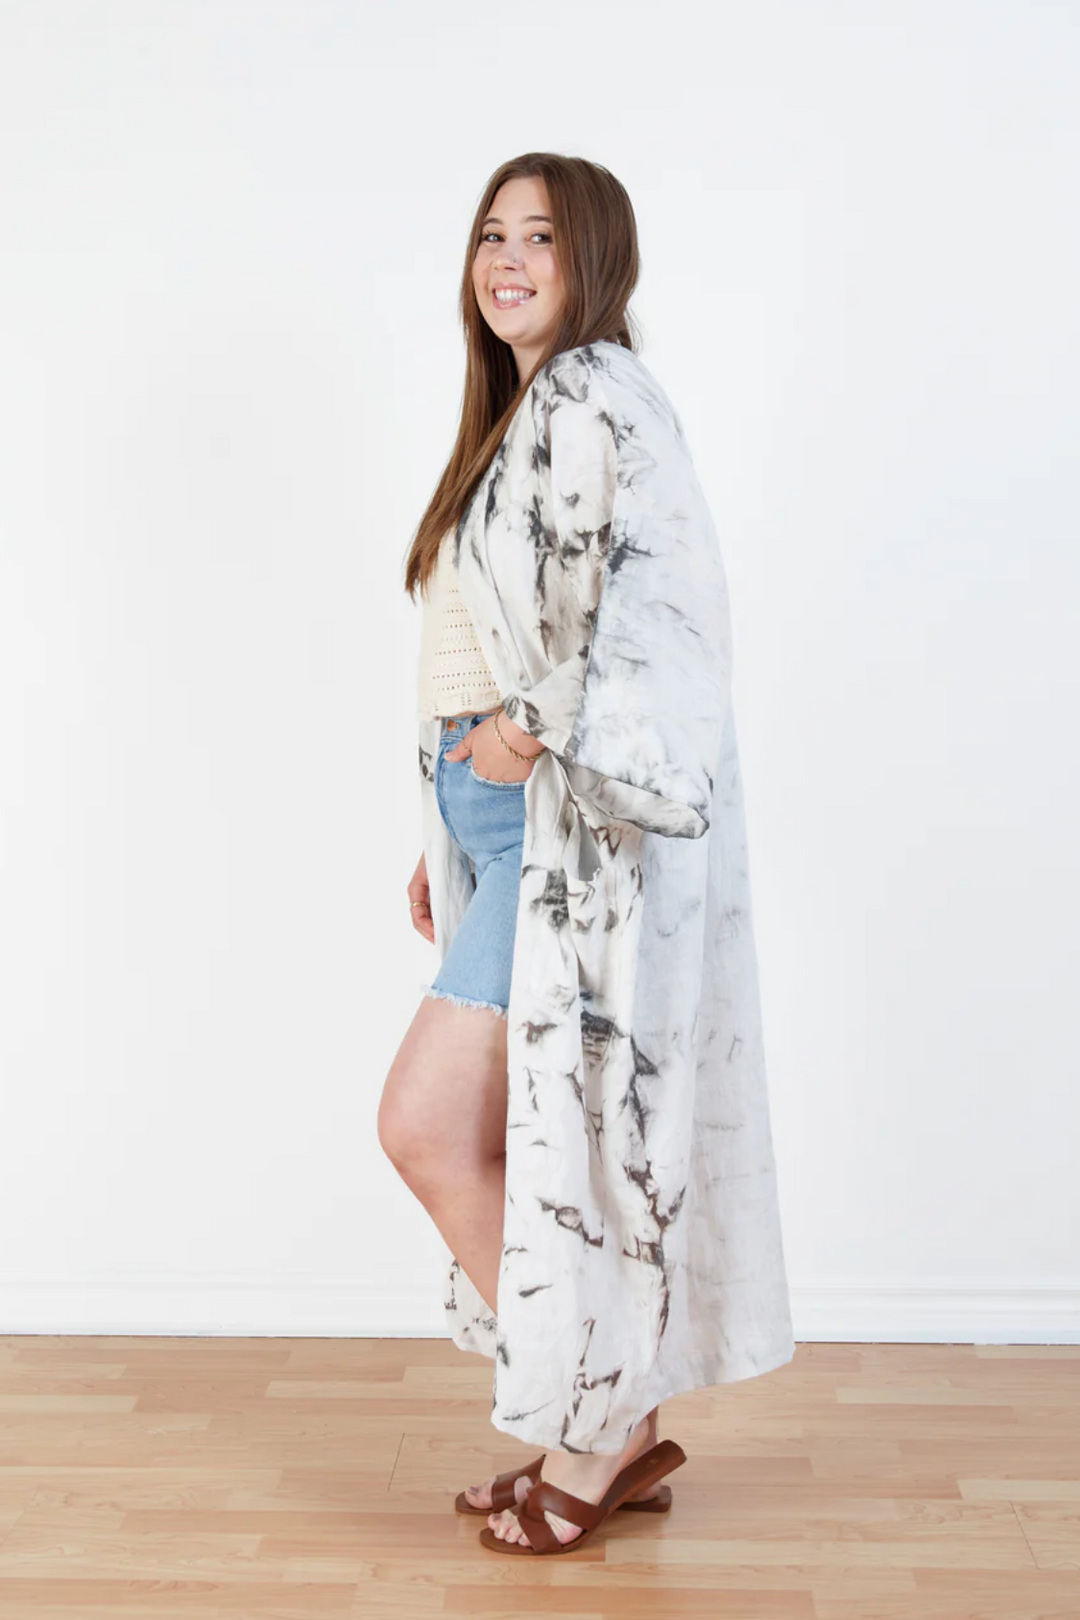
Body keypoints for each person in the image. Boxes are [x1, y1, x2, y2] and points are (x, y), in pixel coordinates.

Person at [378, 153, 795, 1558]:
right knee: (532, 1143)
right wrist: (450, 832)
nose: (506, 260)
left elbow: (669, 619)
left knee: (427, 1127)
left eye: (539, 237)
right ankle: (603, 1416)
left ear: (594, 256)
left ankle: (601, 1425)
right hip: (499, 831)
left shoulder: (601, 391)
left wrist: (526, 727)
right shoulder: (514, 414)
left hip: (566, 826)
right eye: (490, 234)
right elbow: (480, 643)